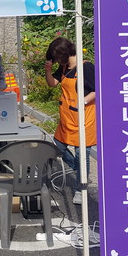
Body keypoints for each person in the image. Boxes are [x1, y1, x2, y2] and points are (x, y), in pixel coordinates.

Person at [44, 37, 96, 205]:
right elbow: (52, 83)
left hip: (84, 119)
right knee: (57, 147)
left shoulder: (86, 67)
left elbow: (98, 89)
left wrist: (84, 101)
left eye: (57, 58)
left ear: (64, 54)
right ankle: (78, 169)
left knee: (82, 154)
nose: (57, 61)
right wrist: (48, 70)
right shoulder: (65, 67)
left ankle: (81, 189)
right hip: (67, 119)